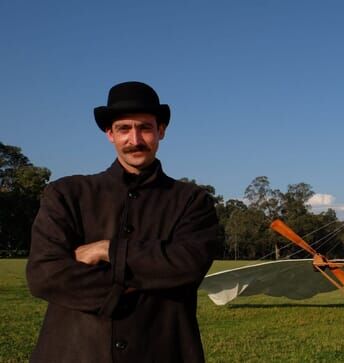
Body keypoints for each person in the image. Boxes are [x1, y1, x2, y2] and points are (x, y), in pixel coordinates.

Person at [26, 81, 220, 362]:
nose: (135, 139)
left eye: (145, 127)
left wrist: (108, 250)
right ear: (110, 134)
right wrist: (141, 280)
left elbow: (188, 265)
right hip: (75, 351)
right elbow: (45, 275)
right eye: (124, 129)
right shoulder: (67, 194)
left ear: (161, 131)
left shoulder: (192, 201)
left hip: (162, 350)